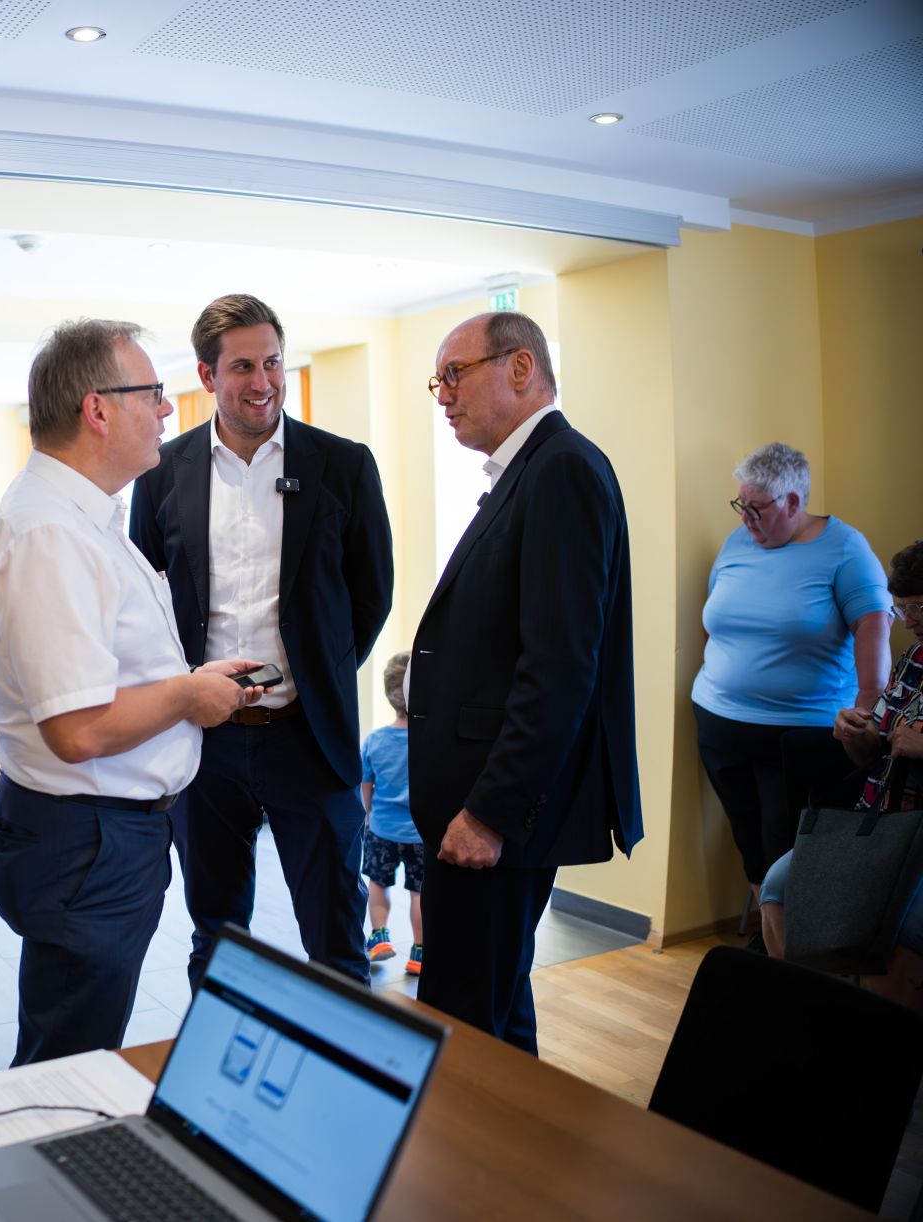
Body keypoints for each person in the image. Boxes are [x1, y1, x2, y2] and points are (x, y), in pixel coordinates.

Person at [0, 318, 260, 1065]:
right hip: (87, 840)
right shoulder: (51, 534)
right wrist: (189, 696)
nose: (168, 411)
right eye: (155, 394)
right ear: (97, 410)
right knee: (68, 1061)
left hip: (99, 835)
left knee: (72, 1041)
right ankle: (44, 1172)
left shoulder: (82, 519)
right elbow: (78, 730)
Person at [131, 293, 392, 988]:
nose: (263, 381)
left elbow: (371, 595)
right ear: (206, 375)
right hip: (205, 744)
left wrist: (319, 670)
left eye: (273, 362)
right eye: (243, 365)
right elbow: (144, 602)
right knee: (216, 938)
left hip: (310, 739)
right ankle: (213, 1092)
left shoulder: (344, 466)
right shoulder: (161, 472)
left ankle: (343, 1095)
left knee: (337, 945)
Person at [408, 310, 642, 1055]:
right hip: (477, 801)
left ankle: (472, 1168)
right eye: (436, 380)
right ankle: (518, 1161)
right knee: (494, 1007)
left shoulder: (562, 470)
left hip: (494, 812)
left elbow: (560, 665)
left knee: (465, 1013)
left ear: (518, 368)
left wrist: (491, 813)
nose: (442, 394)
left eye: (454, 373)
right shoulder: (529, 472)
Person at [691, 442, 892, 941]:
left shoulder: (846, 550)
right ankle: (770, 943)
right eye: (742, 506)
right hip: (720, 720)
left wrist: (865, 712)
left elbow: (874, 628)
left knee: (785, 846)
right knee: (749, 841)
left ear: (794, 503)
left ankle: (790, 953)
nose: (747, 521)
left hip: (801, 732)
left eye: (757, 510)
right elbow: (716, 618)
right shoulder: (737, 544)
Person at [759, 540, 923, 960]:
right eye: (902, 609)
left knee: (900, 928)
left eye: (920, 608)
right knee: (777, 889)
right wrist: (855, 734)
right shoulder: (913, 659)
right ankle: (809, 1009)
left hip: (914, 836)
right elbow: (872, 754)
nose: (910, 622)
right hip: (875, 822)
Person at [361, 652, 423, 976]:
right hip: (420, 833)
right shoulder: (428, 743)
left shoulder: (375, 741)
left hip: (383, 830)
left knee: (377, 884)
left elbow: (366, 786)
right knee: (419, 893)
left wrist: (369, 816)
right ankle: (419, 952)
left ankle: (380, 937)